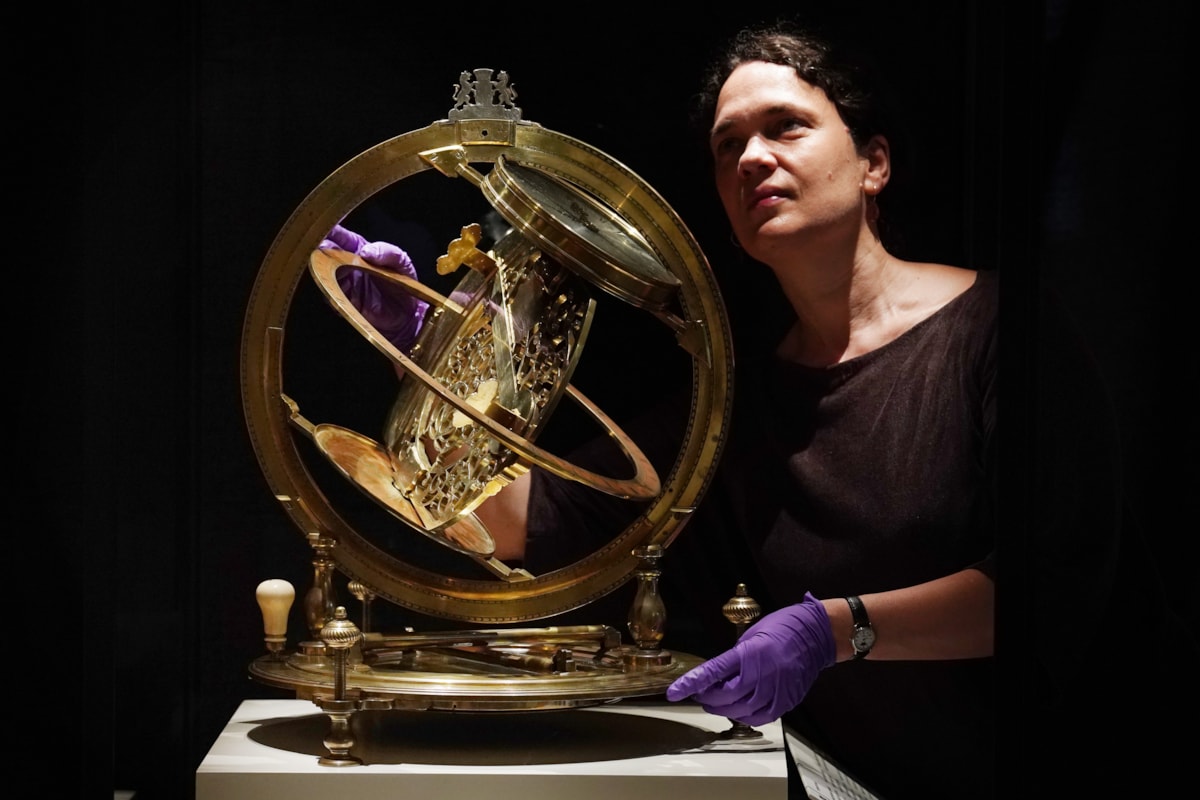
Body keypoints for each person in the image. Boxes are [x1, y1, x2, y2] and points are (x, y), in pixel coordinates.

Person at [321, 18, 1196, 798]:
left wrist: (833, 630)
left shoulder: (1003, 331)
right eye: (727, 144)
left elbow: (1055, 586)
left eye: (787, 127)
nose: (750, 157)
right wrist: (425, 357)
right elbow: (512, 522)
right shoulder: (734, 403)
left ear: (875, 163)